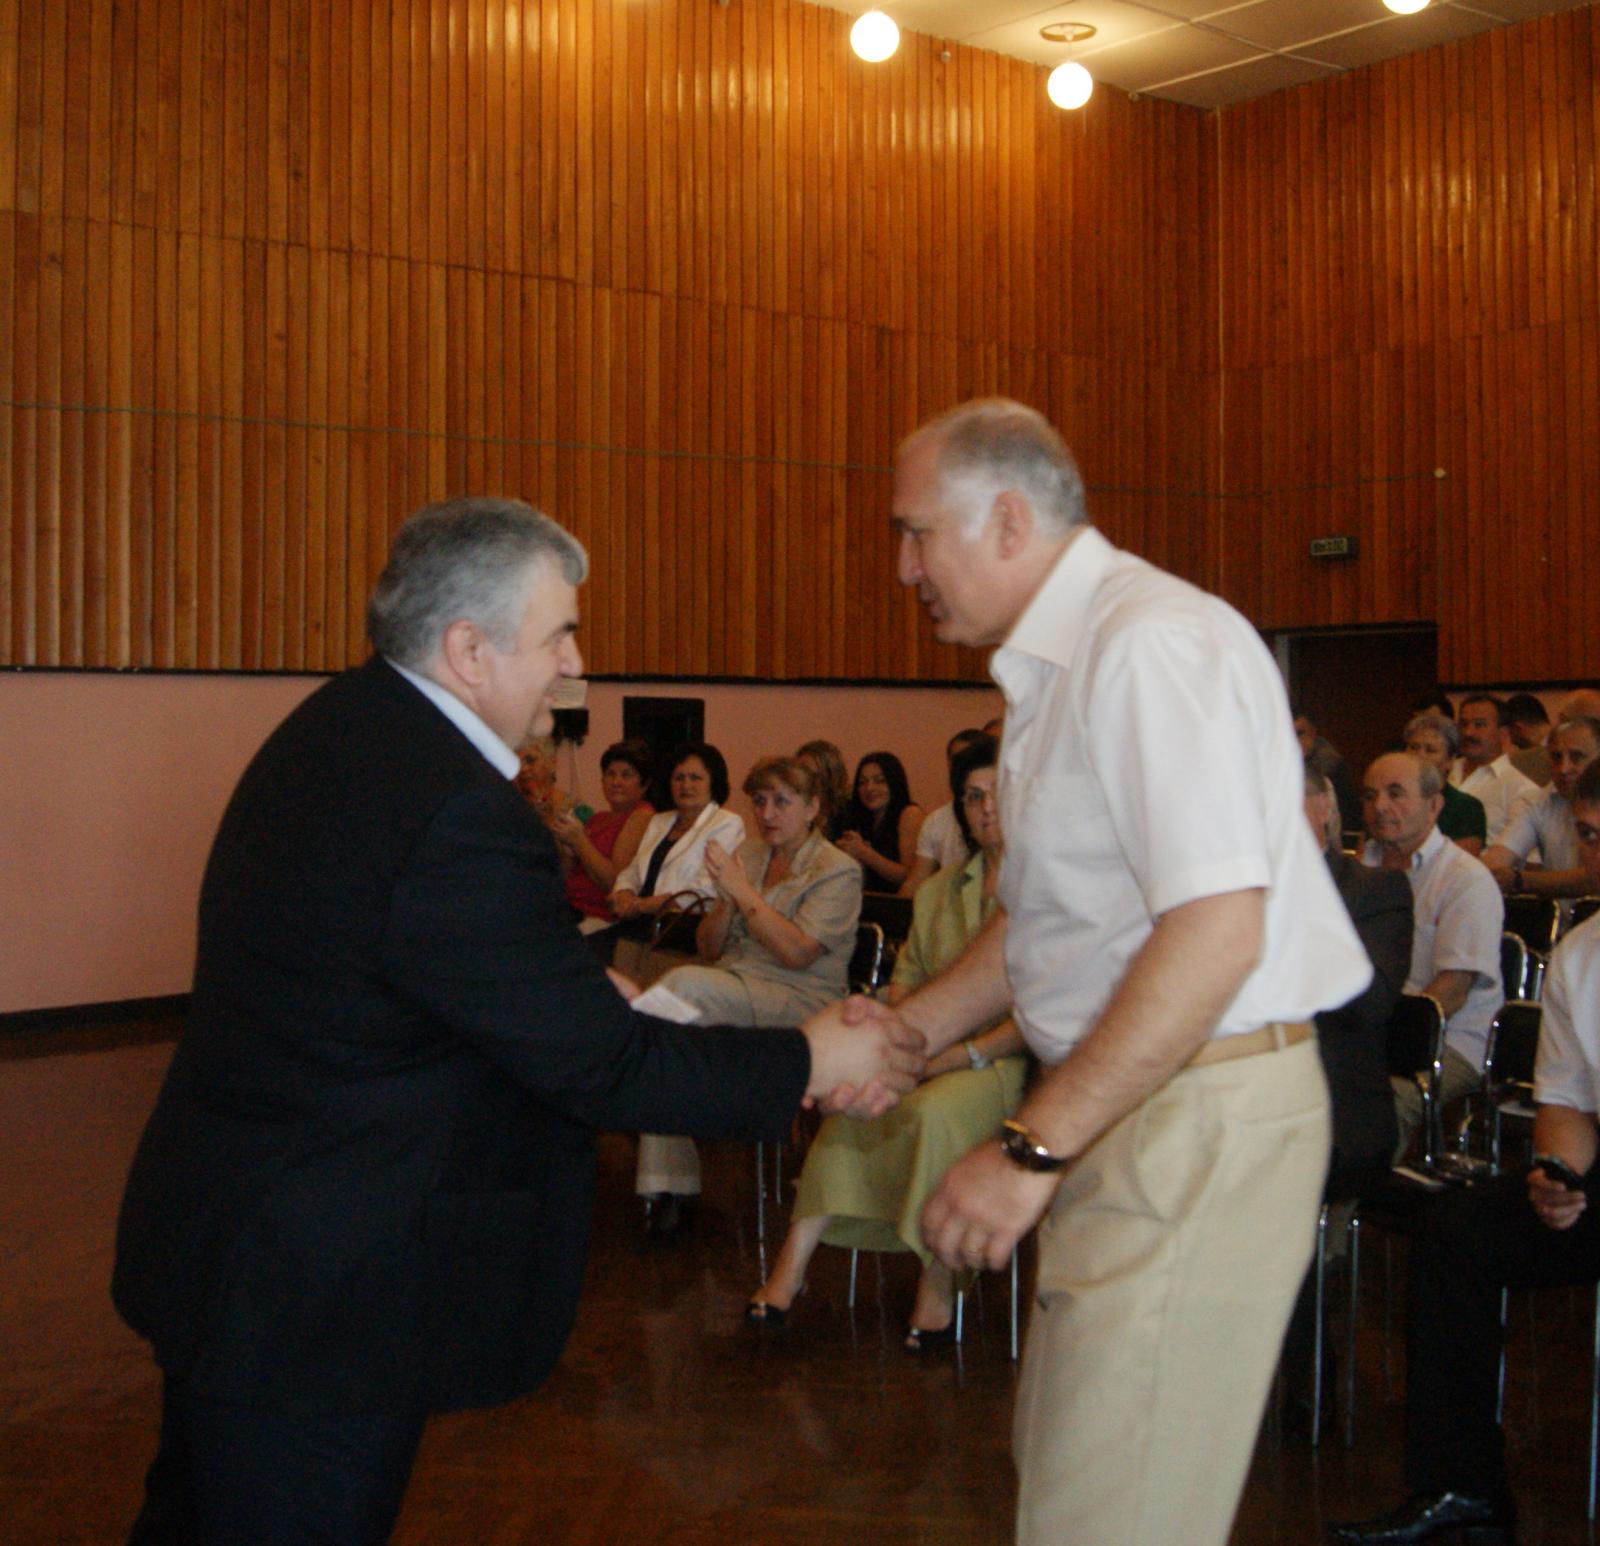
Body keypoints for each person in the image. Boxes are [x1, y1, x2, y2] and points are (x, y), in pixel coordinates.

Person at [110, 497, 924, 1546]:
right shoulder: (454, 806)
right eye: (558, 636)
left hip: (246, 1247)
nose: (574, 664)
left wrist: (573, 993)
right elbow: (604, 1068)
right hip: (317, 1294)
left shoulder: (346, 728)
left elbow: (408, 976)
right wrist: (808, 1057)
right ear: (468, 649)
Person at [807, 399, 1370, 1546]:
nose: (903, 566)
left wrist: (1030, 1147)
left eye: (916, 532)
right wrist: (909, 1030)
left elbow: (1215, 933)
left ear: (1009, 519)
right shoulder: (1055, 672)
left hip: (1195, 1104)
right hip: (1135, 1099)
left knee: (1110, 1508)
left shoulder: (1149, 643)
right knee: (1076, 1476)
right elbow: (1048, 925)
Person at [1331, 757, 1600, 1546]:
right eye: (1589, 835)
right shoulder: (1582, 957)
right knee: (1459, 1230)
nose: (1597, 851)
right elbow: (1566, 1101)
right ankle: (1461, 1486)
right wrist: (1558, 1174)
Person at [748, 734, 1028, 1348]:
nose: (985, 808)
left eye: (997, 793)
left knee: (933, 1112)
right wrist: (896, 1042)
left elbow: (1037, 1013)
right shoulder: (941, 889)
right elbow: (906, 982)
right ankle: (792, 1266)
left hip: (1004, 1061)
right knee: (851, 1106)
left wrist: (956, 1055)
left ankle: (940, 1277)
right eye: (972, 796)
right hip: (924, 1044)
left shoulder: (1046, 892)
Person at [633, 756, 863, 1238]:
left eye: (782, 801)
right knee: (660, 1036)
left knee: (678, 989)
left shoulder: (837, 869)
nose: (767, 813)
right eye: (759, 801)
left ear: (812, 808)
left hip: (802, 997)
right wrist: (724, 902)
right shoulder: (751, 855)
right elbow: (709, 947)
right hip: (735, 982)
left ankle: (666, 1163)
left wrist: (743, 893)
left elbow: (797, 953)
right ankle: (667, 1186)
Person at [1361, 752, 1504, 1152]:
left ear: (1434, 805)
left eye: (1395, 794)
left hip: (1445, 1042)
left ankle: (1359, 1193)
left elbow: (1451, 994)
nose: (1380, 806)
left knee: (1373, 1105)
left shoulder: (1465, 880)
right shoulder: (1360, 867)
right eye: (1370, 796)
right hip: (1372, 1033)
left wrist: (1374, 1043)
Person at [1482, 715, 1600, 900]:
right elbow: (1496, 860)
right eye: (1556, 757)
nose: (1563, 768)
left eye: (1576, 757)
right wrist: (1487, 874)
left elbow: (1593, 877)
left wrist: (1520, 880)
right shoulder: (1535, 801)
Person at [545, 738, 655, 930]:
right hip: (567, 907)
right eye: (610, 774)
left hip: (599, 917)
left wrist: (579, 841)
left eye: (626, 775)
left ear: (643, 784)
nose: (616, 782)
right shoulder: (597, 818)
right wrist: (560, 838)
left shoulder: (642, 815)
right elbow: (566, 873)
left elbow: (616, 883)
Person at [898, 727, 989, 897]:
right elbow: (916, 881)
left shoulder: (1002, 816)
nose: (962, 766)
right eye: (956, 760)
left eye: (969, 759)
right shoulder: (936, 821)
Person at [1451, 694, 1540, 845]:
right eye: (1463, 724)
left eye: (1479, 725)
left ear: (1503, 733)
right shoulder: (1443, 771)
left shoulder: (1521, 789)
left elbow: (1528, 853)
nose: (1468, 732)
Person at [835, 751, 924, 893]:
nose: (869, 788)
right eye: (862, 782)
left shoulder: (910, 813)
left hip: (898, 902)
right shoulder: (861, 818)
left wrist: (864, 853)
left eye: (880, 780)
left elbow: (910, 876)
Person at [1402, 711, 1488, 857]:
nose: (1419, 756)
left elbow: (1460, 862)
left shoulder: (1466, 808)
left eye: (1430, 750)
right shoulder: (1389, 800)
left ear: (1450, 760)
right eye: (1414, 747)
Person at [796, 738, 851, 842]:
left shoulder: (849, 814)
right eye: (802, 773)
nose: (805, 779)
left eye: (814, 775)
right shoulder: (792, 811)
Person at [1504, 691, 1552, 786]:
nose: (1513, 743)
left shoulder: (1522, 761)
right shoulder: (1573, 744)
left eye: (1518, 743)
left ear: (1518, 728)